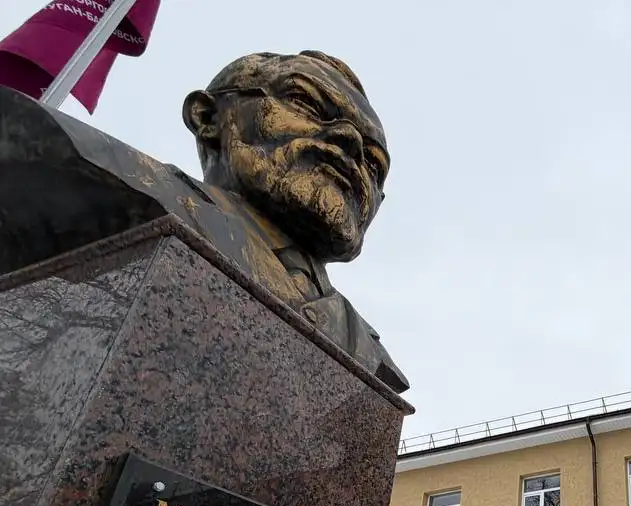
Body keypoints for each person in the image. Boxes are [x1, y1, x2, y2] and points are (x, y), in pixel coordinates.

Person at [0, 50, 409, 393]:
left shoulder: (370, 353)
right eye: (306, 104)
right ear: (208, 116)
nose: (350, 144)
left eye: (374, 164)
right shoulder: (113, 179)